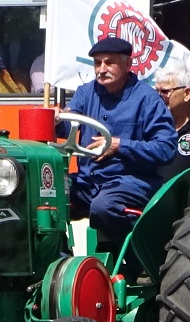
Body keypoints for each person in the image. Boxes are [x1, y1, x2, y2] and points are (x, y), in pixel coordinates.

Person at [56, 36, 177, 246]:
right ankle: (58, 260)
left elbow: (166, 149)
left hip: (131, 181)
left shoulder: (147, 99)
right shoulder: (86, 92)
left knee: (103, 206)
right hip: (88, 181)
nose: (101, 69)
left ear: (127, 64)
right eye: (97, 63)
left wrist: (120, 146)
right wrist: (56, 118)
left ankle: (137, 256)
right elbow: (68, 122)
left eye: (109, 62)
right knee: (47, 196)